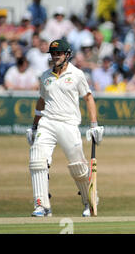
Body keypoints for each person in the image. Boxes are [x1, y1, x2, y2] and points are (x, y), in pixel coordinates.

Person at [25, 39, 104, 217]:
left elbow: (88, 98)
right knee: (37, 160)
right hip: (48, 123)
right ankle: (42, 205)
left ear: (67, 55)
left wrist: (94, 125)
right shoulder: (45, 76)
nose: (55, 56)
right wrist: (35, 125)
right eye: (53, 54)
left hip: (69, 123)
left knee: (78, 166)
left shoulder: (77, 74)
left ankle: (89, 200)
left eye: (59, 53)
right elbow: (41, 100)